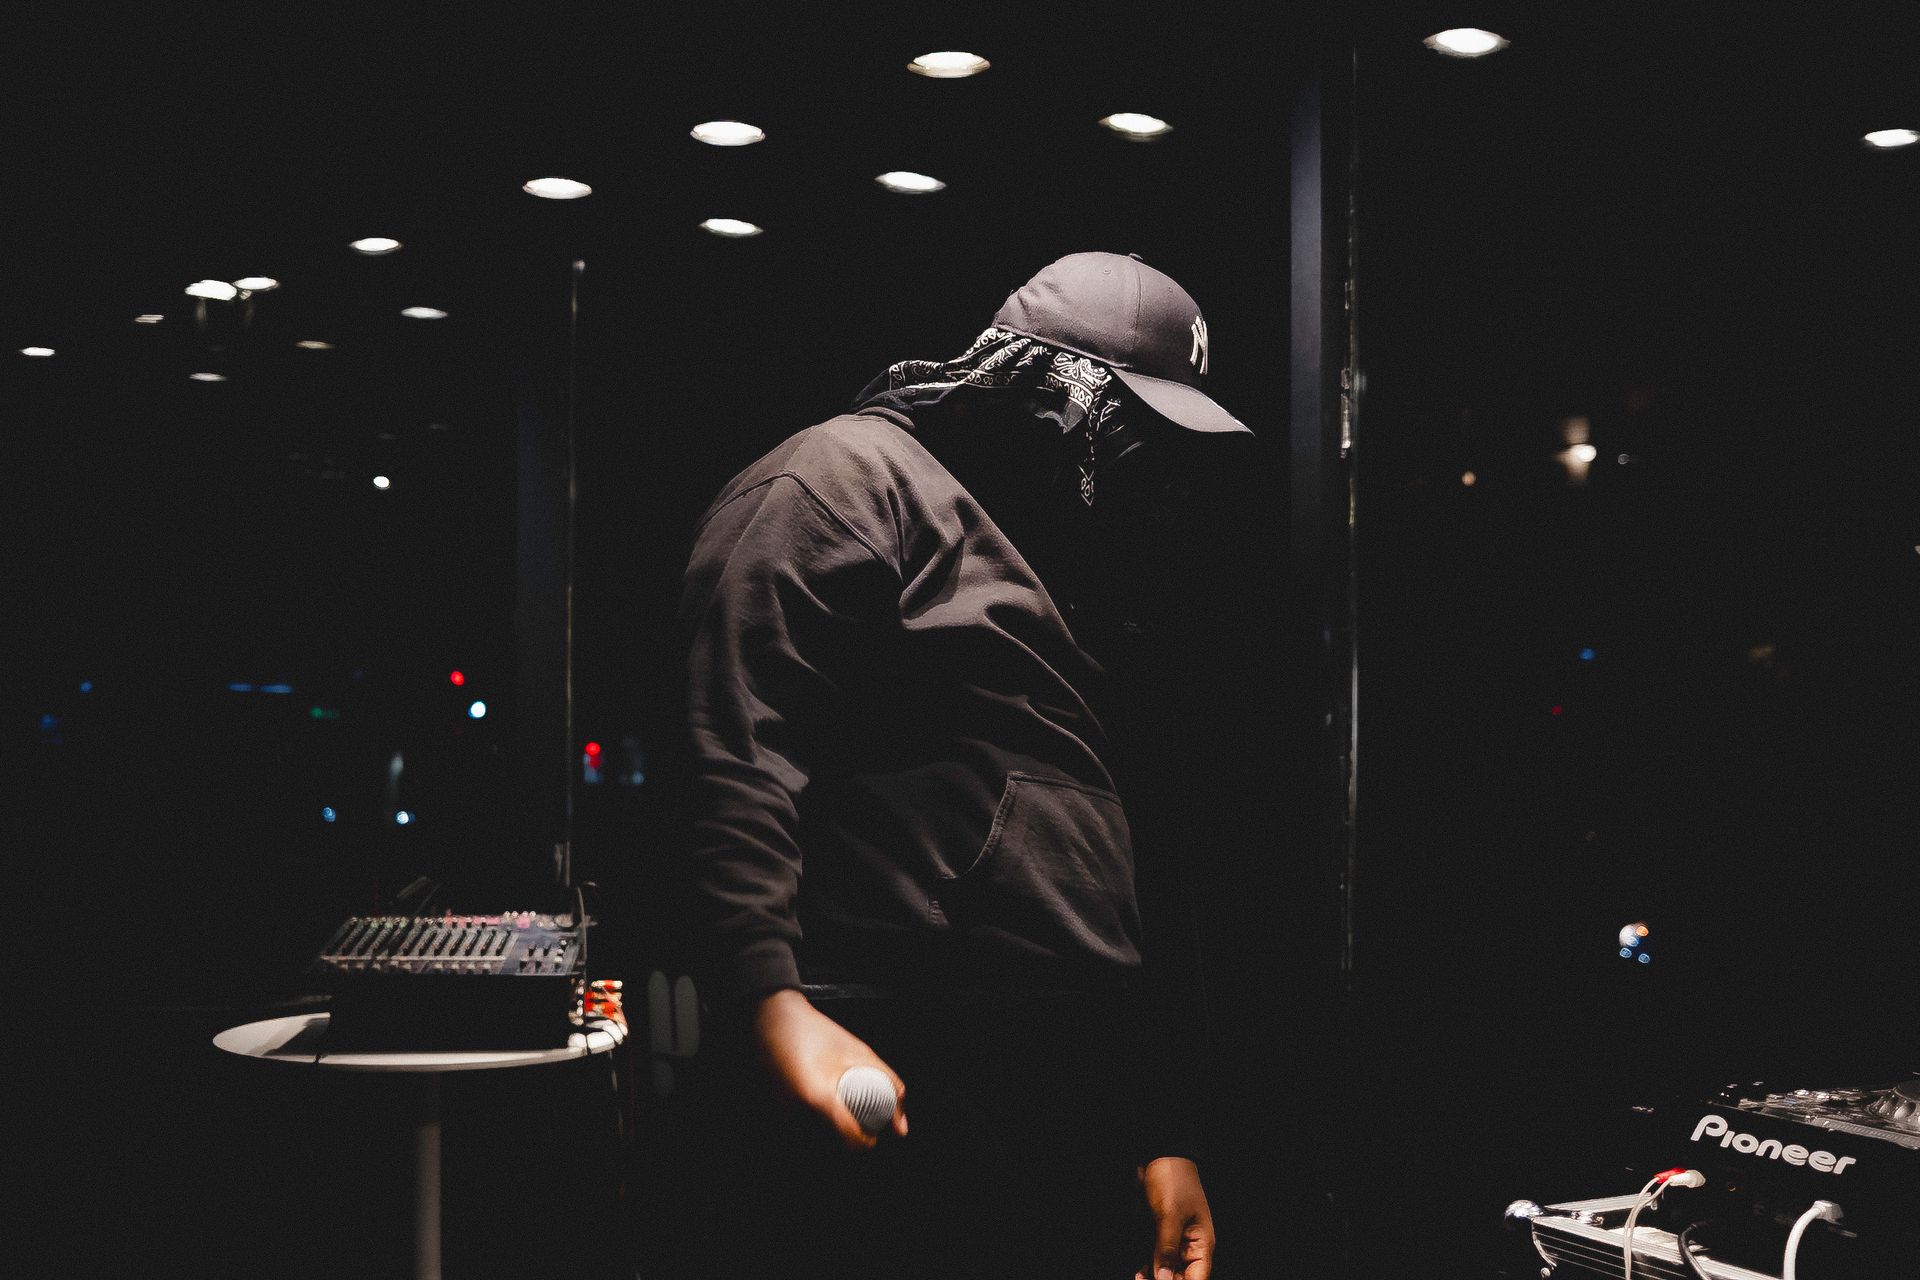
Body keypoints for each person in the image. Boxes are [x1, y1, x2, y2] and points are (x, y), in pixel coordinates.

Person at [675, 252, 1249, 1279]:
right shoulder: (846, 476)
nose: (1151, 465)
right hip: (902, 1069)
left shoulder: (1071, 572)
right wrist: (770, 997)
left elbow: (1137, 850)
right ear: (1064, 394)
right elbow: (733, 743)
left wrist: (1162, 1125)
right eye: (1138, 424)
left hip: (1063, 1102)